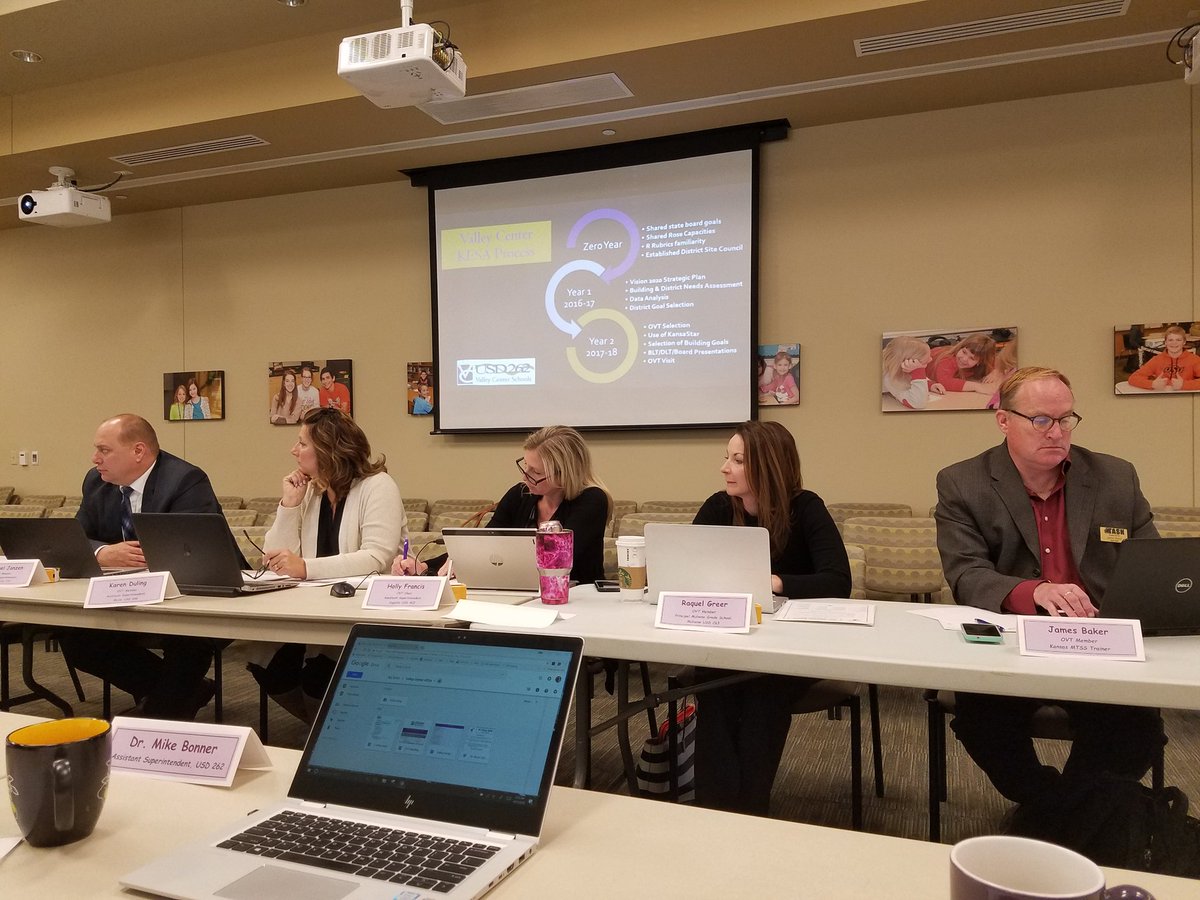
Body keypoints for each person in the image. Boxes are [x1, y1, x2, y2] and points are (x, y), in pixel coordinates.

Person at [934, 366, 1164, 823]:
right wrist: (1034, 591)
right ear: (1004, 421)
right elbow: (966, 573)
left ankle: (1054, 820)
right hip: (1013, 643)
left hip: (1100, 642)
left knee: (1134, 727)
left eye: (1066, 419)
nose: (1057, 433)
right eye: (1041, 420)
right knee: (981, 717)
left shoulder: (1116, 477)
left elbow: (1151, 565)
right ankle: (1065, 813)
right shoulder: (963, 482)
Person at [691, 420, 851, 815]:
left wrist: (774, 582)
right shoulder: (718, 507)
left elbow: (837, 581)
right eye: (727, 458)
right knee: (713, 683)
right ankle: (714, 811)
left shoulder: (806, 507)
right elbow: (689, 569)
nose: (725, 468)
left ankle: (748, 811)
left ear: (767, 465)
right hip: (731, 639)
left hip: (792, 647)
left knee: (762, 691)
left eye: (737, 460)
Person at [252, 407, 406, 722]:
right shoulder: (312, 490)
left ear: (328, 449)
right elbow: (273, 557)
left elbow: (376, 557)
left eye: (302, 444)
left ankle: (332, 732)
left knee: (317, 678)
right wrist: (289, 505)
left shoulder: (378, 486)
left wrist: (305, 568)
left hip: (366, 613)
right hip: (315, 611)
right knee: (266, 663)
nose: (294, 450)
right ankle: (321, 728)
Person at [65, 414, 221, 719]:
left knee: (187, 641)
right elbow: (77, 537)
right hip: (126, 594)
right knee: (78, 639)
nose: (95, 458)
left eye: (104, 450)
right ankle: (178, 694)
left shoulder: (185, 480)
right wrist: (102, 552)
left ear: (138, 451)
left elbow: (191, 549)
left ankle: (159, 714)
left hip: (194, 593)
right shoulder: (96, 482)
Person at [394, 425, 611, 583]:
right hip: (520, 596)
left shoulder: (592, 500)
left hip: (576, 601)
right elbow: (484, 545)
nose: (525, 476)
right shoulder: (520, 494)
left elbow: (556, 560)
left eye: (536, 472)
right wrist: (425, 566)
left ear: (564, 474)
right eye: (525, 466)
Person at [1128, 325, 1200, 391]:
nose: (1174, 343)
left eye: (1178, 340)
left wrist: (1184, 385)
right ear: (1165, 342)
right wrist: (1152, 384)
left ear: (1184, 342)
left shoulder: (1194, 359)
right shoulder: (1157, 360)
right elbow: (1133, 378)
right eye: (1170, 340)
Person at [881, 335, 942, 409]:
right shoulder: (890, 377)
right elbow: (918, 403)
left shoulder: (898, 368)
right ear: (909, 363)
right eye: (926, 359)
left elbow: (908, 378)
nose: (931, 359)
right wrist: (918, 371)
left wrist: (929, 384)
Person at [929, 333, 1000, 394]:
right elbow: (945, 382)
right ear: (960, 347)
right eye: (964, 352)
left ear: (980, 362)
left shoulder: (983, 363)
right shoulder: (948, 358)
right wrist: (977, 386)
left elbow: (1000, 363)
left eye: (972, 358)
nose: (964, 359)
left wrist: (996, 371)